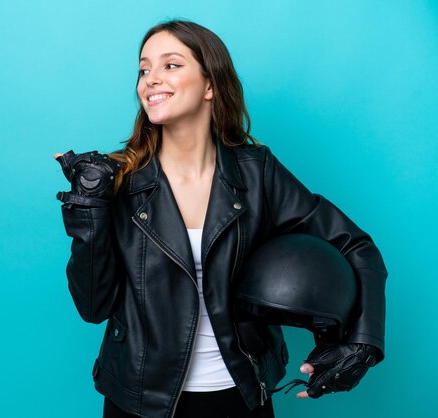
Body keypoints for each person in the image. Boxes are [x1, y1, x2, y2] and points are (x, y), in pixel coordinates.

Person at [54, 20, 387, 418]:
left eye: (171, 65)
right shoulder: (115, 178)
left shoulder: (256, 173)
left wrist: (364, 342)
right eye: (144, 69)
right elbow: (93, 307)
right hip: (140, 400)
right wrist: (87, 211)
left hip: (241, 395)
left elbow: (355, 245)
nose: (151, 80)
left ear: (210, 85)